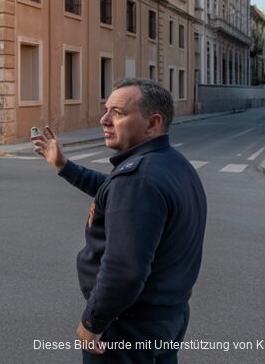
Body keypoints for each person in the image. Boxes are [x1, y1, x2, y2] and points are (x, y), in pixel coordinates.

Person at [33, 77, 206, 362]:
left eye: (118, 113)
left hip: (128, 326)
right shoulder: (171, 163)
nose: (104, 120)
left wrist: (93, 322)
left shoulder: (137, 180)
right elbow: (113, 190)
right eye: (106, 110)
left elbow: (124, 270)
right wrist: (64, 167)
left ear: (152, 123)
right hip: (165, 317)